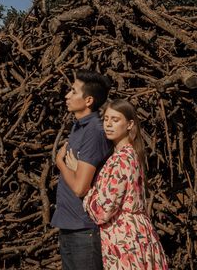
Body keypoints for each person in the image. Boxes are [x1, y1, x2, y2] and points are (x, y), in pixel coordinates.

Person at [66, 99, 168, 270]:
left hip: (125, 241)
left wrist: (81, 176)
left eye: (115, 120)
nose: (108, 124)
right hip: (135, 235)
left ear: (129, 124)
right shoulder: (129, 155)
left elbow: (102, 212)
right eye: (106, 119)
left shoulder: (121, 160)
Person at [51, 70, 112, 270]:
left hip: (84, 229)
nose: (67, 96)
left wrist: (60, 162)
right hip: (70, 226)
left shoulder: (94, 131)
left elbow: (80, 187)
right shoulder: (79, 127)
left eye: (73, 91)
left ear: (88, 100)